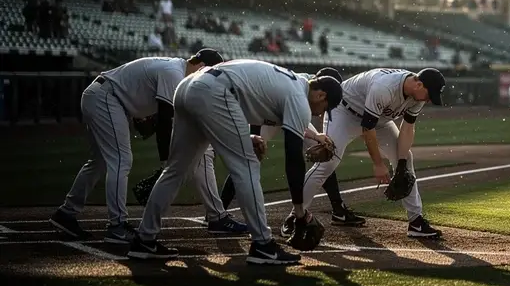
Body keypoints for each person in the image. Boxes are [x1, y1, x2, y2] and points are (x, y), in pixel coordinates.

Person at [127, 59, 343, 265]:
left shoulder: (291, 81)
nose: (322, 112)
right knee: (247, 166)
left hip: (188, 88)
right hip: (215, 93)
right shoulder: (299, 97)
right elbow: (294, 159)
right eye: (325, 107)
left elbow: (244, 99)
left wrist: (244, 138)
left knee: (175, 170)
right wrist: (300, 213)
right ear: (321, 95)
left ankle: (144, 239)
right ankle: (263, 245)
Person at [49, 49, 246, 243]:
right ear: (201, 67)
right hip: (106, 98)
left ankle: (66, 213)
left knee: (99, 162)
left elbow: (157, 121)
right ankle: (117, 226)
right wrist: (165, 163)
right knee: (120, 160)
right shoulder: (174, 74)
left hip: (104, 97)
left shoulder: (176, 71)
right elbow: (164, 123)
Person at [293, 68, 446, 239]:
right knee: (328, 162)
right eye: (429, 94)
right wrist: (378, 164)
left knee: (406, 159)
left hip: (379, 119)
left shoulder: (418, 95)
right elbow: (367, 129)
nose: (429, 99)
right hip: (345, 113)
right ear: (418, 84)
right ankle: (295, 217)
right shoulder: (385, 87)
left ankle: (416, 221)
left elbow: (408, 127)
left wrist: (401, 163)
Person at [220, 67, 366, 228]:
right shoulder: (300, 89)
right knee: (249, 159)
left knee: (324, 151)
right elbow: (288, 118)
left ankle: (338, 209)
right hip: (265, 117)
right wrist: (254, 134)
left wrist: (317, 137)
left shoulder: (311, 89)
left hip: (288, 112)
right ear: (323, 90)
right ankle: (219, 212)